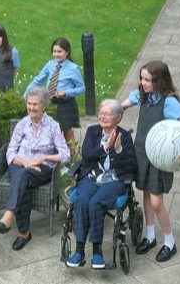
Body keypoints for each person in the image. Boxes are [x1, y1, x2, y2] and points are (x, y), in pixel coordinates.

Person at [121, 60, 180, 263]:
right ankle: (150, 236)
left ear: (159, 80)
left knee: (156, 201)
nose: (142, 83)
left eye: (147, 79)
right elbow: (122, 106)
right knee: (145, 194)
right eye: (141, 78)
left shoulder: (168, 102)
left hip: (158, 158)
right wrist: (112, 113)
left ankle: (170, 242)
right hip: (141, 154)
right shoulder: (142, 95)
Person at [0, 86, 70, 250]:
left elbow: (65, 154)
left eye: (35, 104)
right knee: (23, 178)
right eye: (29, 103)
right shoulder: (23, 124)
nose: (31, 108)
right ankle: (23, 233)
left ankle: (9, 215)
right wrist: (23, 161)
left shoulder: (53, 126)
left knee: (23, 176)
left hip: (42, 167)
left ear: (44, 106)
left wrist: (44, 157)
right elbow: (11, 150)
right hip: (20, 163)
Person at [66, 99, 138, 269]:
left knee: (96, 202)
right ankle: (79, 251)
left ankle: (97, 253)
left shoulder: (125, 137)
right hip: (91, 177)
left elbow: (132, 166)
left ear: (118, 117)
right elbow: (87, 155)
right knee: (82, 200)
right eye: (101, 113)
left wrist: (118, 150)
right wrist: (105, 147)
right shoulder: (92, 132)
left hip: (113, 180)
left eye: (107, 113)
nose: (102, 116)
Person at [25, 37, 85, 150]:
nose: (56, 54)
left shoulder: (73, 69)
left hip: (65, 103)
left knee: (67, 131)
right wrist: (27, 94)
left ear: (67, 52)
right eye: (54, 51)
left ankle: (73, 157)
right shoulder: (50, 65)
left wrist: (66, 93)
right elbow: (38, 80)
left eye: (59, 52)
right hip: (50, 101)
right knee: (50, 129)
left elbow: (81, 88)